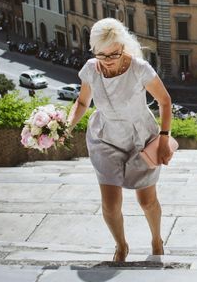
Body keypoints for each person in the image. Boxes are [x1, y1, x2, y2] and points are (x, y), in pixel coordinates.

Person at [66, 18, 173, 262]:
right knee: (111, 205)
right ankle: (121, 245)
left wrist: (164, 139)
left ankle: (156, 239)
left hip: (141, 139)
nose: (110, 60)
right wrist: (65, 126)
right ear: (95, 51)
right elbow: (82, 103)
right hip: (105, 138)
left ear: (123, 46)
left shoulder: (139, 68)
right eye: (103, 55)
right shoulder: (91, 69)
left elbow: (165, 101)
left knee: (147, 201)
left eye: (115, 53)